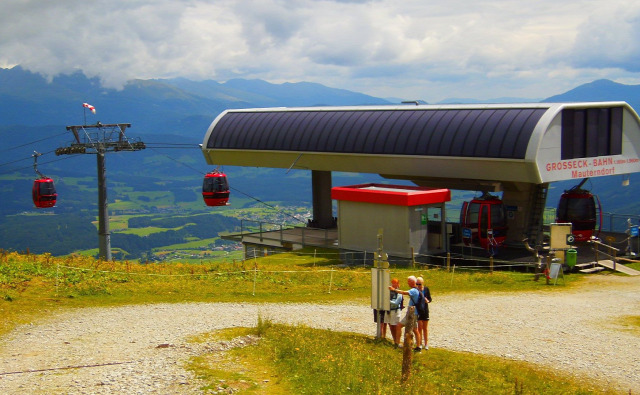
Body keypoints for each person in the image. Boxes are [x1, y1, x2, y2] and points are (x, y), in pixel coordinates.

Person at [391, 275, 422, 352]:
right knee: (415, 329)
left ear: (412, 282)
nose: (408, 283)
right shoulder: (416, 289)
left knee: (399, 325)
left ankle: (397, 343)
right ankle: (419, 346)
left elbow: (404, 292)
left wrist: (394, 290)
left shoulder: (413, 290)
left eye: (408, 281)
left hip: (412, 313)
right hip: (415, 312)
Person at [416, 276, 432, 350]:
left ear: (422, 283)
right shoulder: (416, 290)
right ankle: (420, 343)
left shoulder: (426, 289)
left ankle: (426, 343)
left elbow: (430, 299)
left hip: (425, 310)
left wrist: (427, 300)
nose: (418, 285)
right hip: (419, 310)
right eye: (417, 284)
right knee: (419, 327)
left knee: (425, 328)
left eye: (419, 284)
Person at [386, 278, 404, 347]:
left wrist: (388, 301)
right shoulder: (389, 291)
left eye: (395, 283)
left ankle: (398, 342)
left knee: (396, 326)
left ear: (398, 284)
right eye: (392, 283)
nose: (393, 284)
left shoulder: (399, 292)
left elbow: (396, 303)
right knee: (391, 326)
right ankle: (395, 341)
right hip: (389, 310)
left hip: (396, 311)